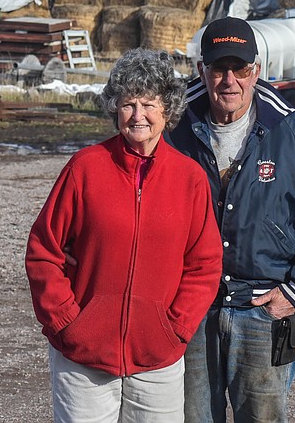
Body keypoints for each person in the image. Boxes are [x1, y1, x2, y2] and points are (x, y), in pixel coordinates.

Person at [168, 17, 295, 423]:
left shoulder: (288, 129)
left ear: (256, 71)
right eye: (219, 68)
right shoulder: (174, 126)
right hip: (191, 309)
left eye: (241, 69)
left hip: (261, 310)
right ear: (202, 69)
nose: (229, 81)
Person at [26, 48, 224, 423]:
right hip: (83, 358)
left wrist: (175, 329)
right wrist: (68, 323)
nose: (138, 116)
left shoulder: (190, 179)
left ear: (167, 110)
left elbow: (205, 265)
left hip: (157, 360)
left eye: (148, 104)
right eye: (128, 104)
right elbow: (43, 251)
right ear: (115, 108)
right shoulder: (85, 168)